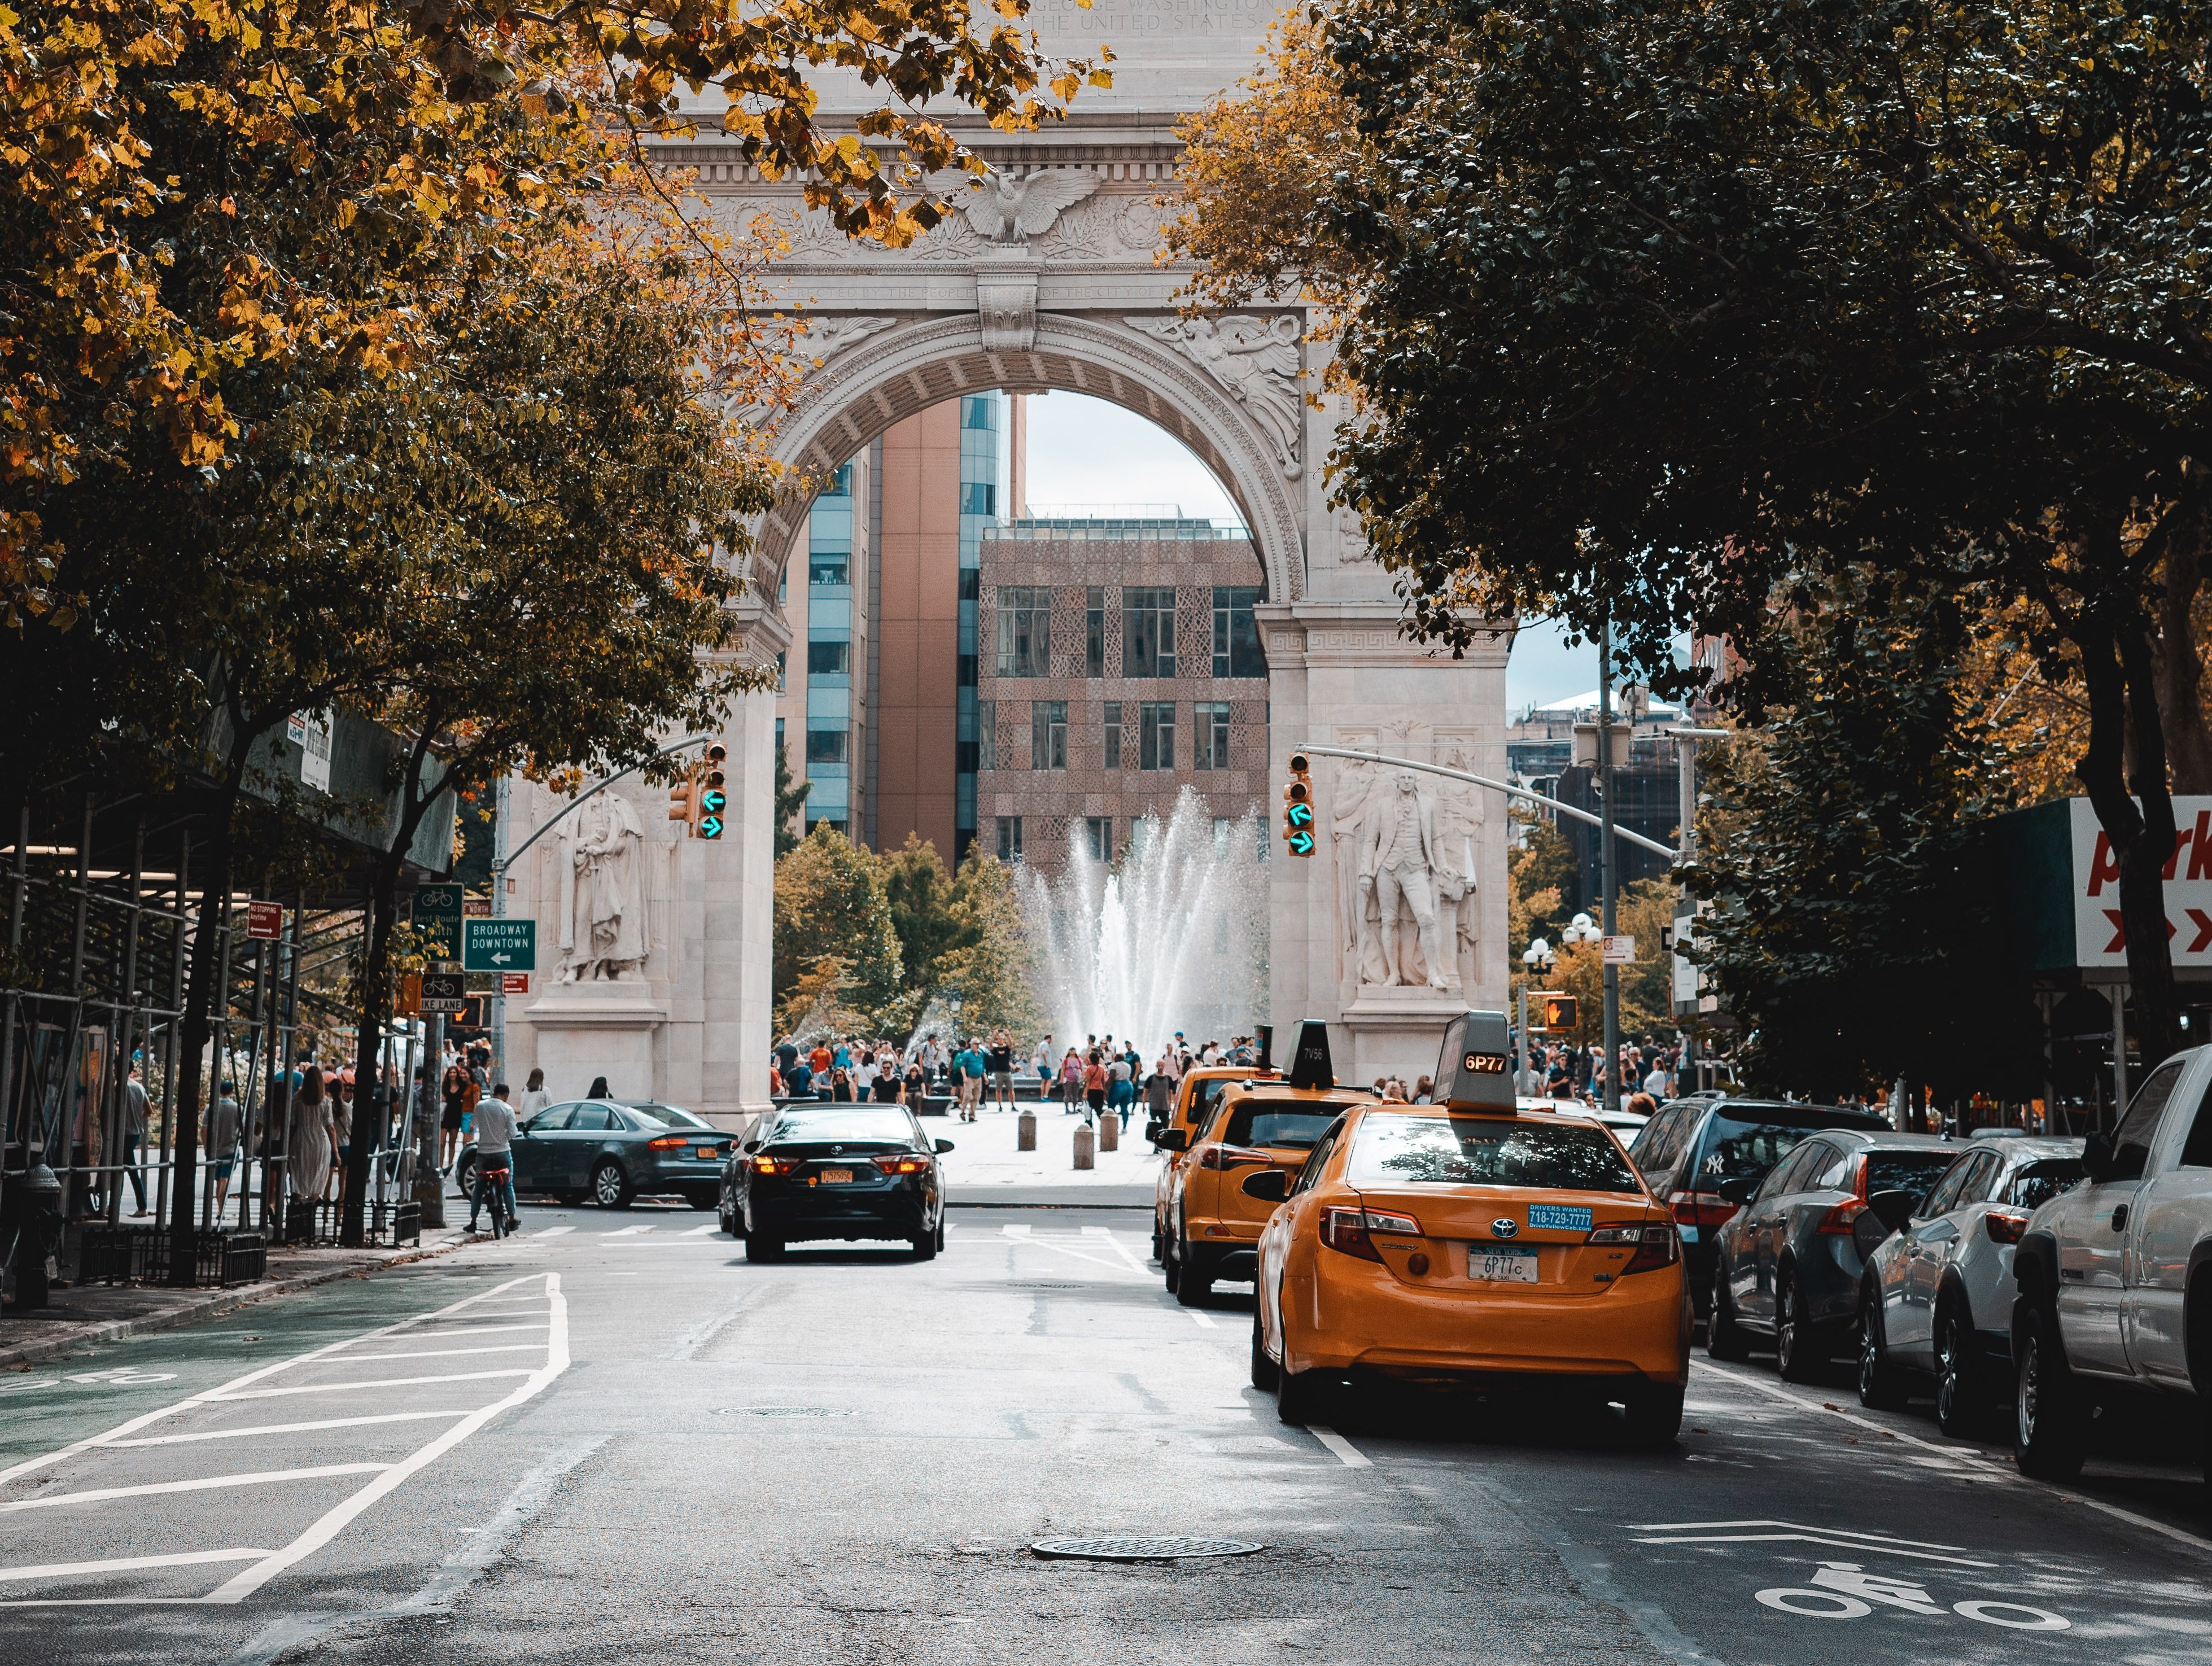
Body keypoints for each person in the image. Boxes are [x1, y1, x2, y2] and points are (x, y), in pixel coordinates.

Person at [468, 1082, 519, 1234]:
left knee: (479, 1188)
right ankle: (512, 1218)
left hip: (483, 1153)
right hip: (502, 1152)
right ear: (505, 1096)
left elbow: (473, 1125)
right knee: (507, 1186)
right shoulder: (508, 1109)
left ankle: (473, 1221)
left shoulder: (481, 1106)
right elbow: (513, 1133)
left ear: (493, 1093)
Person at [289, 1065, 336, 1206]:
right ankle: (312, 1207)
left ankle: (298, 1209)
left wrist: (288, 1146)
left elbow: (292, 1126)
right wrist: (336, 1151)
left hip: (301, 1140)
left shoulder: (296, 1101)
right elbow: (330, 1128)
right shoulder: (325, 1102)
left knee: (299, 1175)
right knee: (317, 1176)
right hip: (321, 1142)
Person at [118, 1063, 150, 1217]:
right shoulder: (139, 1088)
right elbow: (149, 1110)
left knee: (125, 1169)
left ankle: (142, 1207)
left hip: (123, 1132)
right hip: (136, 1132)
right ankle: (116, 1205)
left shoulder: (118, 1087)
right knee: (127, 1168)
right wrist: (137, 1117)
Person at [209, 1078, 243, 1212]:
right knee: (224, 1179)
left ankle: (219, 1208)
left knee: (219, 1180)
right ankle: (220, 1209)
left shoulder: (212, 1107)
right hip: (231, 1148)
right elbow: (243, 1128)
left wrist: (207, 1148)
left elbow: (204, 1128)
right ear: (232, 1092)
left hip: (215, 1149)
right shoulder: (237, 1108)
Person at [440, 1062, 470, 1173]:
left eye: (454, 1073)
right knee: (442, 1143)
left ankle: (450, 1165)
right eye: (451, 1073)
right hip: (445, 1116)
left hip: (456, 1116)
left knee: (452, 1143)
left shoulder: (462, 1087)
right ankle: (440, 1165)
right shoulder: (445, 1086)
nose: (452, 1074)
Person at [986, 1029, 1016, 1112]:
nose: (1000, 1040)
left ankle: (1013, 1105)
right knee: (998, 1090)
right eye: (999, 1038)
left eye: (1002, 1038)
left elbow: (1011, 1044)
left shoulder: (1007, 1049)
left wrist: (1008, 1035)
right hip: (998, 1072)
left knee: (1011, 1090)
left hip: (1007, 1071)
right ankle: (1000, 1106)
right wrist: (994, 1035)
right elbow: (990, 1045)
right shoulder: (995, 1050)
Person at [1081, 1051, 1108, 1126]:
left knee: (1089, 1108)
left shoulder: (1089, 1069)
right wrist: (1105, 1091)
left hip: (1092, 1090)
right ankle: (1104, 1123)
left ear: (1091, 1059)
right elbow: (1103, 1081)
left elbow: (1088, 1082)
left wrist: (1085, 1093)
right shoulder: (1102, 1069)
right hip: (1100, 1090)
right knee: (1099, 1108)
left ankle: (1089, 1123)